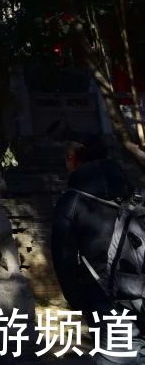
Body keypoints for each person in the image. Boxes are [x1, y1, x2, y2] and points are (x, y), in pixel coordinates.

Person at [51, 135, 141, 362]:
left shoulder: (71, 202)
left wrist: (79, 301)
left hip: (103, 296)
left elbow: (64, 261)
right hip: (141, 287)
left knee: (117, 355)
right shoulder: (132, 193)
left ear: (72, 159)